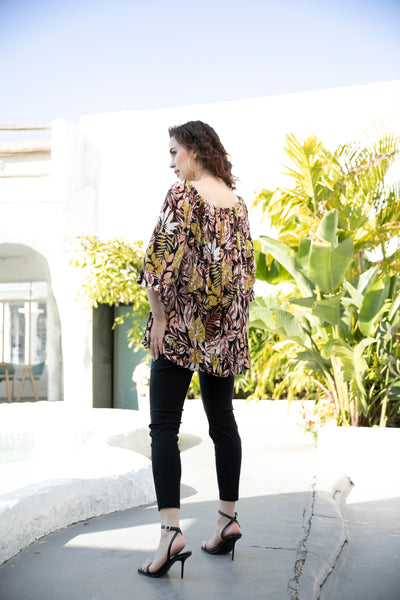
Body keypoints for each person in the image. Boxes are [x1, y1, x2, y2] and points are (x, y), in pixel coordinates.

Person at [136, 120, 255, 578]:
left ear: (196, 150)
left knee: (164, 427)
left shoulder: (183, 196)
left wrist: (160, 319)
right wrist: (232, 331)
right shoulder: (237, 205)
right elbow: (244, 276)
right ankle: (227, 520)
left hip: (183, 325)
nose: (171, 163)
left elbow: (156, 266)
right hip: (223, 330)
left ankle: (170, 533)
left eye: (174, 152)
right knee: (223, 422)